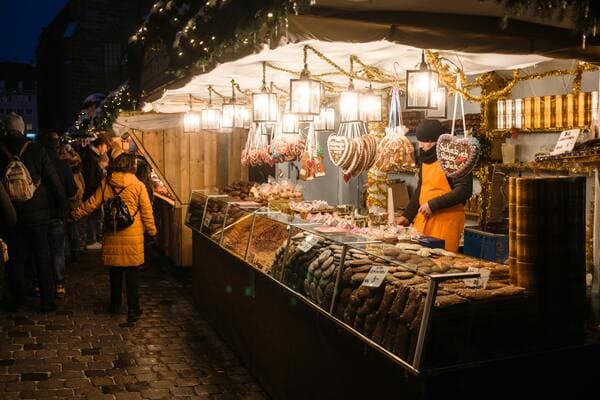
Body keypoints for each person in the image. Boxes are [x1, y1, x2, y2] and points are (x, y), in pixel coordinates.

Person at [72, 153, 157, 320]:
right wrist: (152, 231)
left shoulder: (106, 183)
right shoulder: (138, 185)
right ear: (131, 166)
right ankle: (133, 308)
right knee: (133, 276)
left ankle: (115, 304)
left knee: (115, 274)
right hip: (133, 237)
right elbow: (147, 212)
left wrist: (75, 214)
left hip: (113, 233)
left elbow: (91, 203)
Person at [0, 113, 67, 312]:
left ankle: (16, 298)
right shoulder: (37, 149)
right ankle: (46, 300)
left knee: (15, 258)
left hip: (11, 214)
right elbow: (53, 179)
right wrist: (62, 206)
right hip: (38, 214)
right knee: (42, 256)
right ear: (21, 128)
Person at [397, 119, 472, 252]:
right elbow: (421, 188)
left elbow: (463, 190)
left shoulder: (455, 157)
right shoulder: (425, 159)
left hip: (446, 222)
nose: (420, 146)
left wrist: (433, 205)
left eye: (424, 141)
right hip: (423, 221)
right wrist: (407, 215)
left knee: (440, 264)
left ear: (436, 141)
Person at [38, 132, 77, 298]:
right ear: (57, 146)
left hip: (38, 215)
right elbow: (72, 191)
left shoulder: (36, 164)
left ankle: (39, 284)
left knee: (40, 250)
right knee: (57, 250)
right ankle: (59, 284)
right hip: (57, 214)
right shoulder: (63, 166)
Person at [81, 135, 109, 250]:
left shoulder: (91, 156)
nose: (105, 150)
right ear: (100, 146)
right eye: (105, 147)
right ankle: (91, 241)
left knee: (94, 217)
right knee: (93, 217)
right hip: (92, 192)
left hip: (90, 192)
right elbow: (91, 179)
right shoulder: (93, 159)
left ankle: (92, 239)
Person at [59, 143, 85, 262]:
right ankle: (75, 252)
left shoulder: (68, 169)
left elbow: (78, 189)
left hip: (70, 204)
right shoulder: (76, 167)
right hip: (74, 204)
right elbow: (81, 188)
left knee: (70, 231)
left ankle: (72, 253)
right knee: (72, 230)